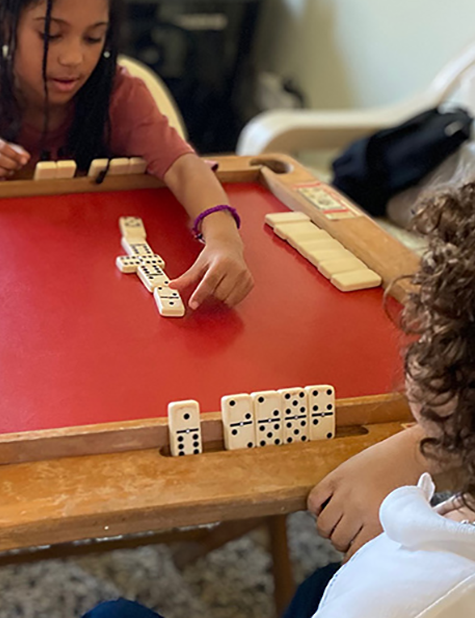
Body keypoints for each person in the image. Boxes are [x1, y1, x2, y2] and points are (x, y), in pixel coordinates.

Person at [84, 181, 475, 618]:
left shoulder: (404, 592)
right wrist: (422, 448)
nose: (408, 349)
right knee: (319, 583)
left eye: (428, 339)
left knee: (111, 616)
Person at [0, 0, 253, 309]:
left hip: (92, 286)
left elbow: (183, 165)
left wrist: (224, 239)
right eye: (51, 34)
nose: (74, 57)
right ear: (3, 23)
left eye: (93, 37)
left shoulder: (120, 96)